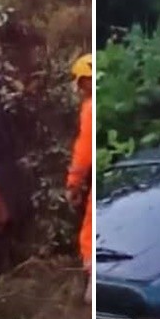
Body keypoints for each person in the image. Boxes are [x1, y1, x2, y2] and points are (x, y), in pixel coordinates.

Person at [66, 53, 94, 301]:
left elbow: (84, 151)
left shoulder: (90, 108)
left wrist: (73, 184)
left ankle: (93, 290)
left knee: (90, 231)